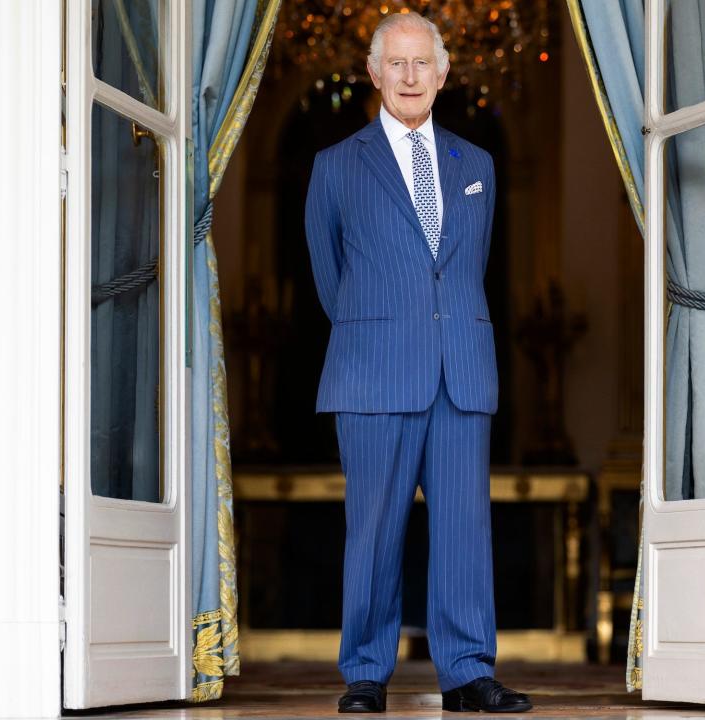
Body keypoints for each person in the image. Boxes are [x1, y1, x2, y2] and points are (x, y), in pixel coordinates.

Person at [304, 11, 532, 714]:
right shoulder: (336, 166)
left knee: (466, 527)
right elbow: (326, 272)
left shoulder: (478, 166)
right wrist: (381, 329)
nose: (409, 77)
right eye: (394, 64)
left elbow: (468, 267)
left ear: (443, 73)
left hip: (460, 370)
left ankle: (466, 672)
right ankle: (366, 674)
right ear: (374, 73)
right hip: (373, 371)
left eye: (421, 63)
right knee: (372, 530)